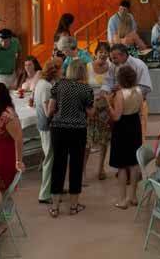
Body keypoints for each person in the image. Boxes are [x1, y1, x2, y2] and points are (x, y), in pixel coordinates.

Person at [46, 59, 95, 217]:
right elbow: (90, 113)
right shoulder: (86, 89)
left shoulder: (59, 85)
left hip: (58, 129)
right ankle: (73, 206)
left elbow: (51, 109)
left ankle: (54, 207)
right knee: (76, 166)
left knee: (58, 165)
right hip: (78, 130)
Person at [108, 65, 144, 209]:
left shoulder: (120, 94)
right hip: (135, 125)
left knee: (122, 165)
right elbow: (141, 110)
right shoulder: (139, 91)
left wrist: (108, 104)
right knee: (134, 163)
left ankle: (122, 199)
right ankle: (133, 196)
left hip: (122, 128)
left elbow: (116, 116)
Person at [33, 57, 61, 205]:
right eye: (60, 69)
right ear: (54, 71)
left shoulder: (43, 84)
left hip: (45, 126)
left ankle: (53, 188)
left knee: (51, 158)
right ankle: (44, 194)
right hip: (47, 127)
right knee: (49, 159)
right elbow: (47, 111)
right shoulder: (45, 87)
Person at [86, 45, 114, 181]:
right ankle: (82, 170)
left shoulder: (111, 68)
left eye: (106, 52)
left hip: (105, 109)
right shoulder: (88, 67)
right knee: (87, 140)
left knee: (104, 140)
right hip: (90, 108)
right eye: (100, 52)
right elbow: (82, 86)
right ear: (95, 53)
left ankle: (100, 168)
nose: (103, 54)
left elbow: (113, 86)